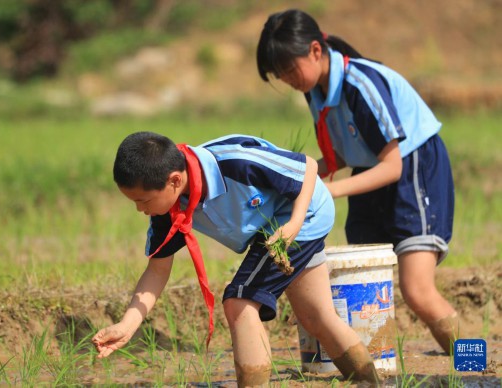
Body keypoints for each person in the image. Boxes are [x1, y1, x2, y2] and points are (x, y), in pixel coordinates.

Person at [92, 131, 380, 385]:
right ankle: (368, 380)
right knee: (317, 317)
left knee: (239, 301)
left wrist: (293, 224)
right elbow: (156, 271)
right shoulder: (167, 209)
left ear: (174, 180)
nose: (140, 209)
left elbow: (308, 168)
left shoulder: (235, 163)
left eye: (143, 200)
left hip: (303, 217)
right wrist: (127, 326)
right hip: (267, 226)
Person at [256, 9, 459, 355]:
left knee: (417, 290)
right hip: (368, 171)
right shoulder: (315, 90)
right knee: (361, 281)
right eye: (281, 75)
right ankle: (375, 368)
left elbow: (393, 164)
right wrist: (294, 181)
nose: (288, 80)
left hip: (413, 169)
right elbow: (344, 155)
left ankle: (474, 368)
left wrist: (328, 191)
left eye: (290, 70)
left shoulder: (360, 84)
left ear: (316, 51)